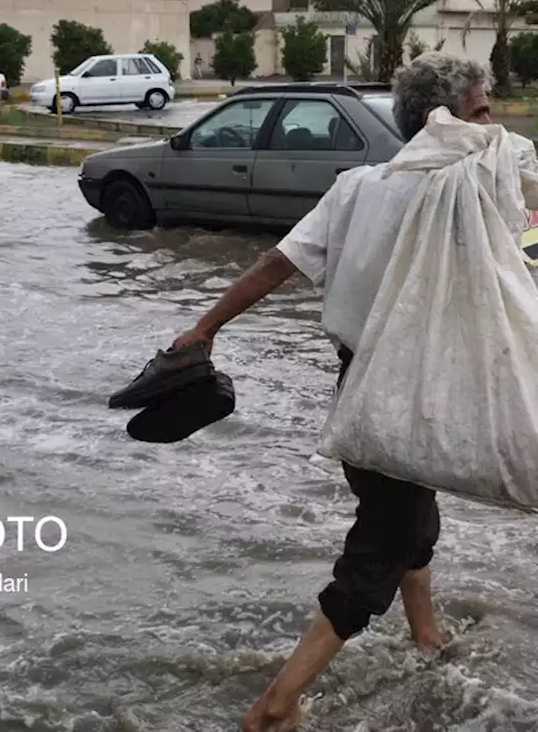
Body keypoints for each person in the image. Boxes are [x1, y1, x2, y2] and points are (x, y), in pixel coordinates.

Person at [169, 52, 496, 732]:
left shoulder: (357, 186)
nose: (493, 123)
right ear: (443, 120)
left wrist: (204, 326)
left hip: (364, 390)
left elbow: (275, 263)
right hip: (402, 398)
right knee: (383, 540)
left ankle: (426, 635)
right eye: (482, 111)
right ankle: (276, 705)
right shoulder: (461, 192)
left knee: (412, 518)